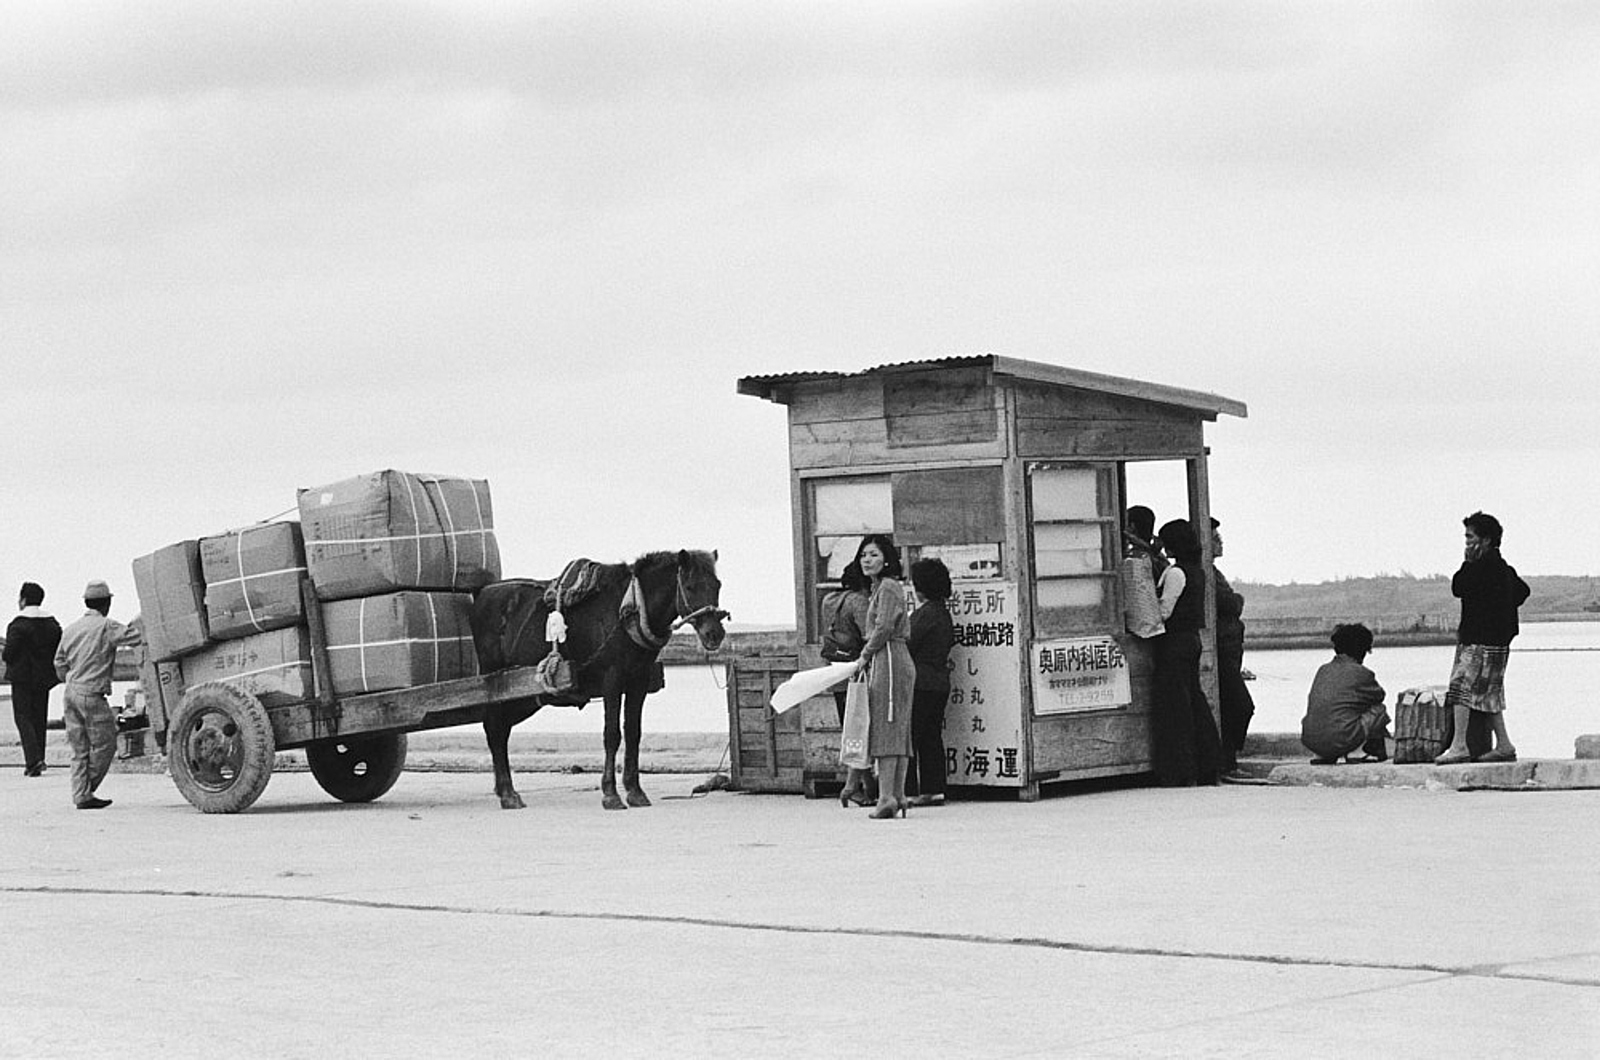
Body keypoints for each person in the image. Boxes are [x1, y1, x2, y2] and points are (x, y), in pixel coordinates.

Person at [1435, 511, 1530, 765]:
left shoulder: (1478, 567)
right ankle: (1504, 745)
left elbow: (1458, 587)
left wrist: (1467, 563)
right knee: (1490, 693)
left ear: (1485, 540)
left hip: (1477, 639)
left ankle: (1459, 745)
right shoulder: (1504, 569)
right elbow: (1523, 591)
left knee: (1460, 687)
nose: (1467, 542)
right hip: (1499, 641)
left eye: (1470, 537)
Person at [53, 580, 140, 810]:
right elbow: (136, 637)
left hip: (70, 691)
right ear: (107, 603)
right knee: (106, 744)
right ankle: (84, 791)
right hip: (91, 694)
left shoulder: (71, 629)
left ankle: (81, 793)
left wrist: (71, 678)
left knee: (79, 749)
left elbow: (59, 663)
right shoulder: (106, 626)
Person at [1150, 519, 1223, 786]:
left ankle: (1181, 769)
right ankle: (1208, 764)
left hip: (1174, 643)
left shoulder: (1175, 573)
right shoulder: (1197, 571)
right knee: (1194, 702)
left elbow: (1164, 610)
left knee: (1175, 708)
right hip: (1191, 640)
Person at [854, 534, 915, 819]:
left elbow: (884, 626)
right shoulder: (882, 587)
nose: (867, 560)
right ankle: (897, 795)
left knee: (887, 725)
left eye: (874, 554)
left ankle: (887, 796)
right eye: (864, 555)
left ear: (887, 559)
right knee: (898, 727)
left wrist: (864, 655)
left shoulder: (888, 587)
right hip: (894, 657)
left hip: (888, 656)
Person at [820, 560, 873, 806]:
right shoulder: (859, 602)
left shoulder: (829, 600)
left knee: (850, 730)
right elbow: (869, 636)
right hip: (857, 674)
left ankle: (866, 786)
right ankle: (853, 787)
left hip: (836, 672)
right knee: (861, 730)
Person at [1301, 623, 1391, 764]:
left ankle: (1321, 755)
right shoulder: (1362, 673)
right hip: (1341, 738)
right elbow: (1379, 696)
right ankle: (1357, 752)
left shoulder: (1323, 670)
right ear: (1362, 651)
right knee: (1379, 709)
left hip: (1311, 739)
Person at [905, 557, 955, 808]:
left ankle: (907, 789)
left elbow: (906, 642)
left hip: (919, 682)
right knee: (931, 736)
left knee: (909, 736)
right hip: (939, 682)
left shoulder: (924, 615)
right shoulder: (943, 613)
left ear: (920, 587)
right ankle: (934, 788)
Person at [1209, 518, 1256, 777]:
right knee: (1240, 705)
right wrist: (1237, 599)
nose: (1220, 542)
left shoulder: (1214, 573)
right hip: (1221, 651)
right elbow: (1230, 603)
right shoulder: (1208, 575)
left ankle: (1228, 759)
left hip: (1230, 650)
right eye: (1215, 538)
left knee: (1232, 705)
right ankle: (1227, 761)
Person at [4, 582, 63, 777]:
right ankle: (40, 758)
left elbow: (9, 654)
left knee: (23, 717)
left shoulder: (17, 625)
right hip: (44, 678)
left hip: (22, 678)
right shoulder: (52, 624)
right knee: (39, 717)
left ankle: (33, 760)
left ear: (23, 599)